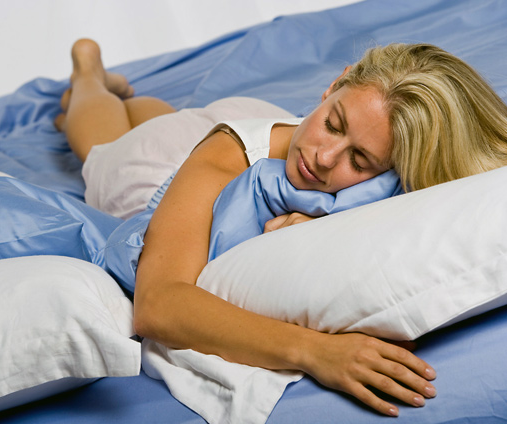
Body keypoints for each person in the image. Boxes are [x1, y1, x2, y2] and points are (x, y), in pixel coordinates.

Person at [55, 38, 507, 417]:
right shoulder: (224, 155)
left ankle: (137, 102)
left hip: (262, 120)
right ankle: (88, 72)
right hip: (155, 170)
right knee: (103, 141)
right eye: (333, 124)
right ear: (335, 83)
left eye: (359, 160)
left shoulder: (382, 163)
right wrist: (314, 351)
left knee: (163, 115)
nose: (324, 158)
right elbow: (157, 305)